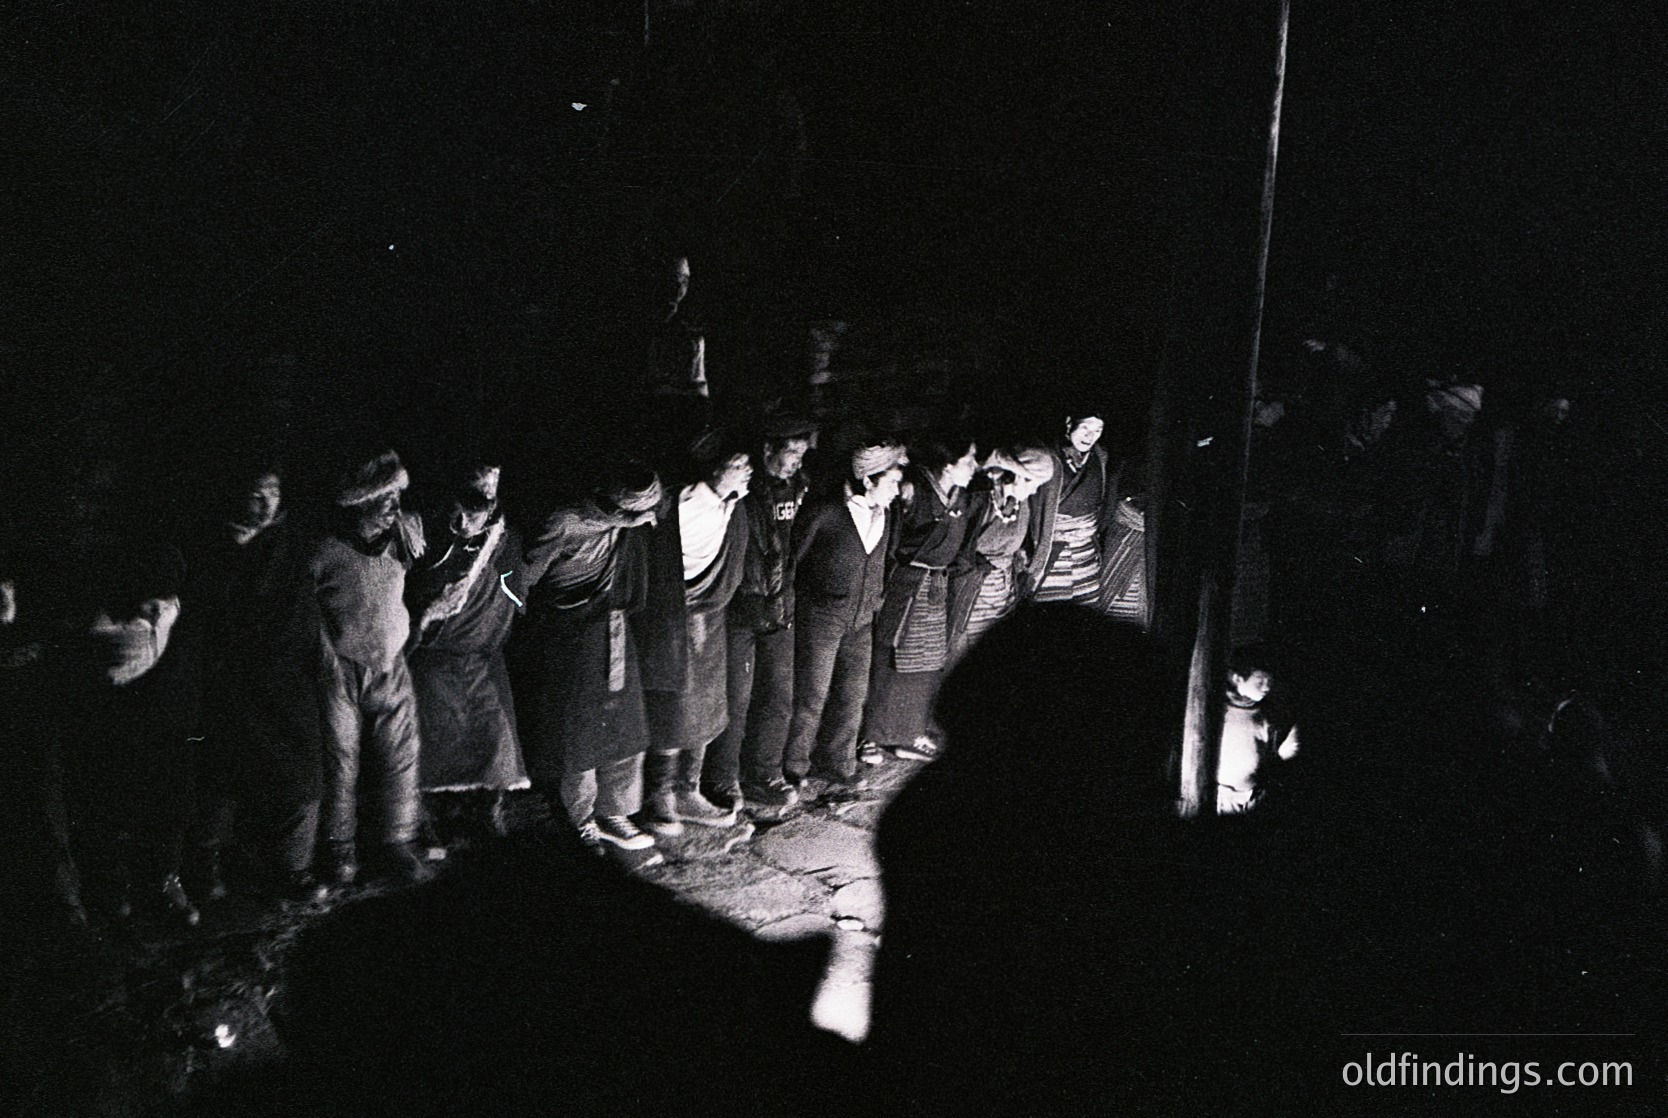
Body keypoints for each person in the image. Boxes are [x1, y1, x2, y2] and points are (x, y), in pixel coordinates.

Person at [184, 461, 331, 904]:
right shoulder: (208, 550)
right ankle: (205, 868)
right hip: (229, 682)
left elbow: (303, 615)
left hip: (286, 682)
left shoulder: (290, 547)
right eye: (255, 493)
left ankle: (292, 867)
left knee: (300, 774)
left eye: (274, 492)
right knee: (220, 775)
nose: (266, 503)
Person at [519, 464, 662, 858]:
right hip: (571, 634)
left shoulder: (626, 522)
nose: (641, 521)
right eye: (630, 516)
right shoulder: (565, 523)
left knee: (624, 725)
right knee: (579, 734)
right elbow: (521, 579)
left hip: (614, 627)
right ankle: (580, 817)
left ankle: (614, 813)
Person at [309, 449, 431, 885]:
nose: (394, 508)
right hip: (340, 667)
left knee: (401, 750)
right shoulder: (326, 551)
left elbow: (415, 583)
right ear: (360, 502)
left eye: (398, 498)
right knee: (341, 756)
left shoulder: (398, 537)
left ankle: (397, 840)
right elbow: (308, 611)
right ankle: (338, 846)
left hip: (390, 661)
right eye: (387, 500)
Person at [404, 462, 530, 847]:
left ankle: (487, 815)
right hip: (434, 658)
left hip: (482, 657)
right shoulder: (424, 533)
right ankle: (431, 824)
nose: (471, 515)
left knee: (492, 741)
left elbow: (514, 597)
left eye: (482, 505)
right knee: (431, 745)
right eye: (466, 502)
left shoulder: (505, 540)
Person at [636, 435, 752, 836]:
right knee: (674, 710)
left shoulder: (730, 503)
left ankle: (688, 790)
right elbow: (681, 565)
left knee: (706, 707)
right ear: (715, 470)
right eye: (738, 464)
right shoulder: (685, 506)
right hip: (677, 620)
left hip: (712, 617)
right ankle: (660, 798)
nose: (748, 470)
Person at [781, 441, 903, 794]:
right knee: (811, 693)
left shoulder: (887, 515)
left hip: (862, 619)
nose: (896, 490)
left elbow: (886, 559)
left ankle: (837, 762)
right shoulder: (826, 513)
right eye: (892, 482)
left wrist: (875, 598)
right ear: (868, 481)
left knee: (852, 693)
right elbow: (793, 563)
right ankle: (794, 766)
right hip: (822, 617)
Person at [709, 415, 815, 813]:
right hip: (739, 604)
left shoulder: (797, 487)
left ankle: (765, 774)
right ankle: (722, 779)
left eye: (803, 453)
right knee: (735, 699)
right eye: (792, 452)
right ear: (768, 449)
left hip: (779, 602)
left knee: (778, 694)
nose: (797, 461)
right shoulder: (744, 490)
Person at [858, 430, 981, 765]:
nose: (974, 466)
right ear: (948, 464)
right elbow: (890, 542)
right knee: (890, 660)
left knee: (925, 665)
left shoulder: (959, 496)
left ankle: (908, 733)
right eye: (968, 460)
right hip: (905, 585)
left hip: (935, 586)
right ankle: (870, 736)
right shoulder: (913, 491)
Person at [1028, 406, 1146, 625]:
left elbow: (1104, 505)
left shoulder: (1099, 457)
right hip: (1051, 553)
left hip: (1086, 553)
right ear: (1069, 424)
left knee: (1084, 619)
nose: (1090, 436)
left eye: (1097, 430)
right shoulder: (1047, 457)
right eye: (1085, 428)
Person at [954, 443, 1055, 654]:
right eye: (1034, 483)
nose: (1036, 490)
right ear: (1019, 476)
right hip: (970, 591)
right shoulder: (980, 497)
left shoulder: (1020, 502)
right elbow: (958, 547)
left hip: (1002, 593)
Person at [1215, 649, 1300, 814]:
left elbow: (1277, 753)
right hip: (1223, 798)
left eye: (1270, 681)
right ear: (1237, 679)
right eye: (1260, 681)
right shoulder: (1218, 710)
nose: (1266, 687)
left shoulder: (1268, 713)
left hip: (1256, 796)